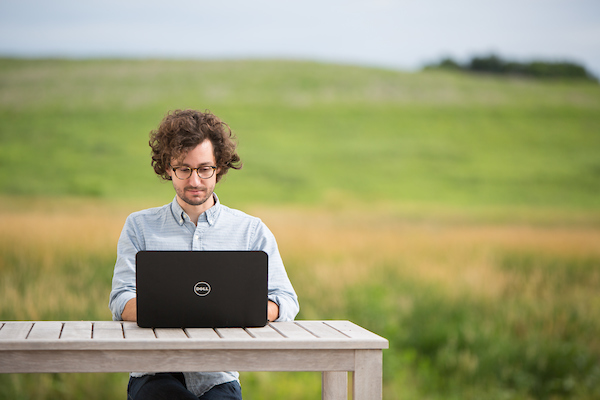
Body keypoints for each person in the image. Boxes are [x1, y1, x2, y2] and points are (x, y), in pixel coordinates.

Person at [109, 109, 299, 400]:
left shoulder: (250, 231)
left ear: (220, 167)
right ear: (167, 168)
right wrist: (190, 309)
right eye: (183, 169)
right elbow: (121, 299)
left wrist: (245, 310)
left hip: (218, 378)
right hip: (153, 374)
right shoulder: (139, 226)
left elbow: (285, 300)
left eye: (204, 168)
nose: (194, 180)